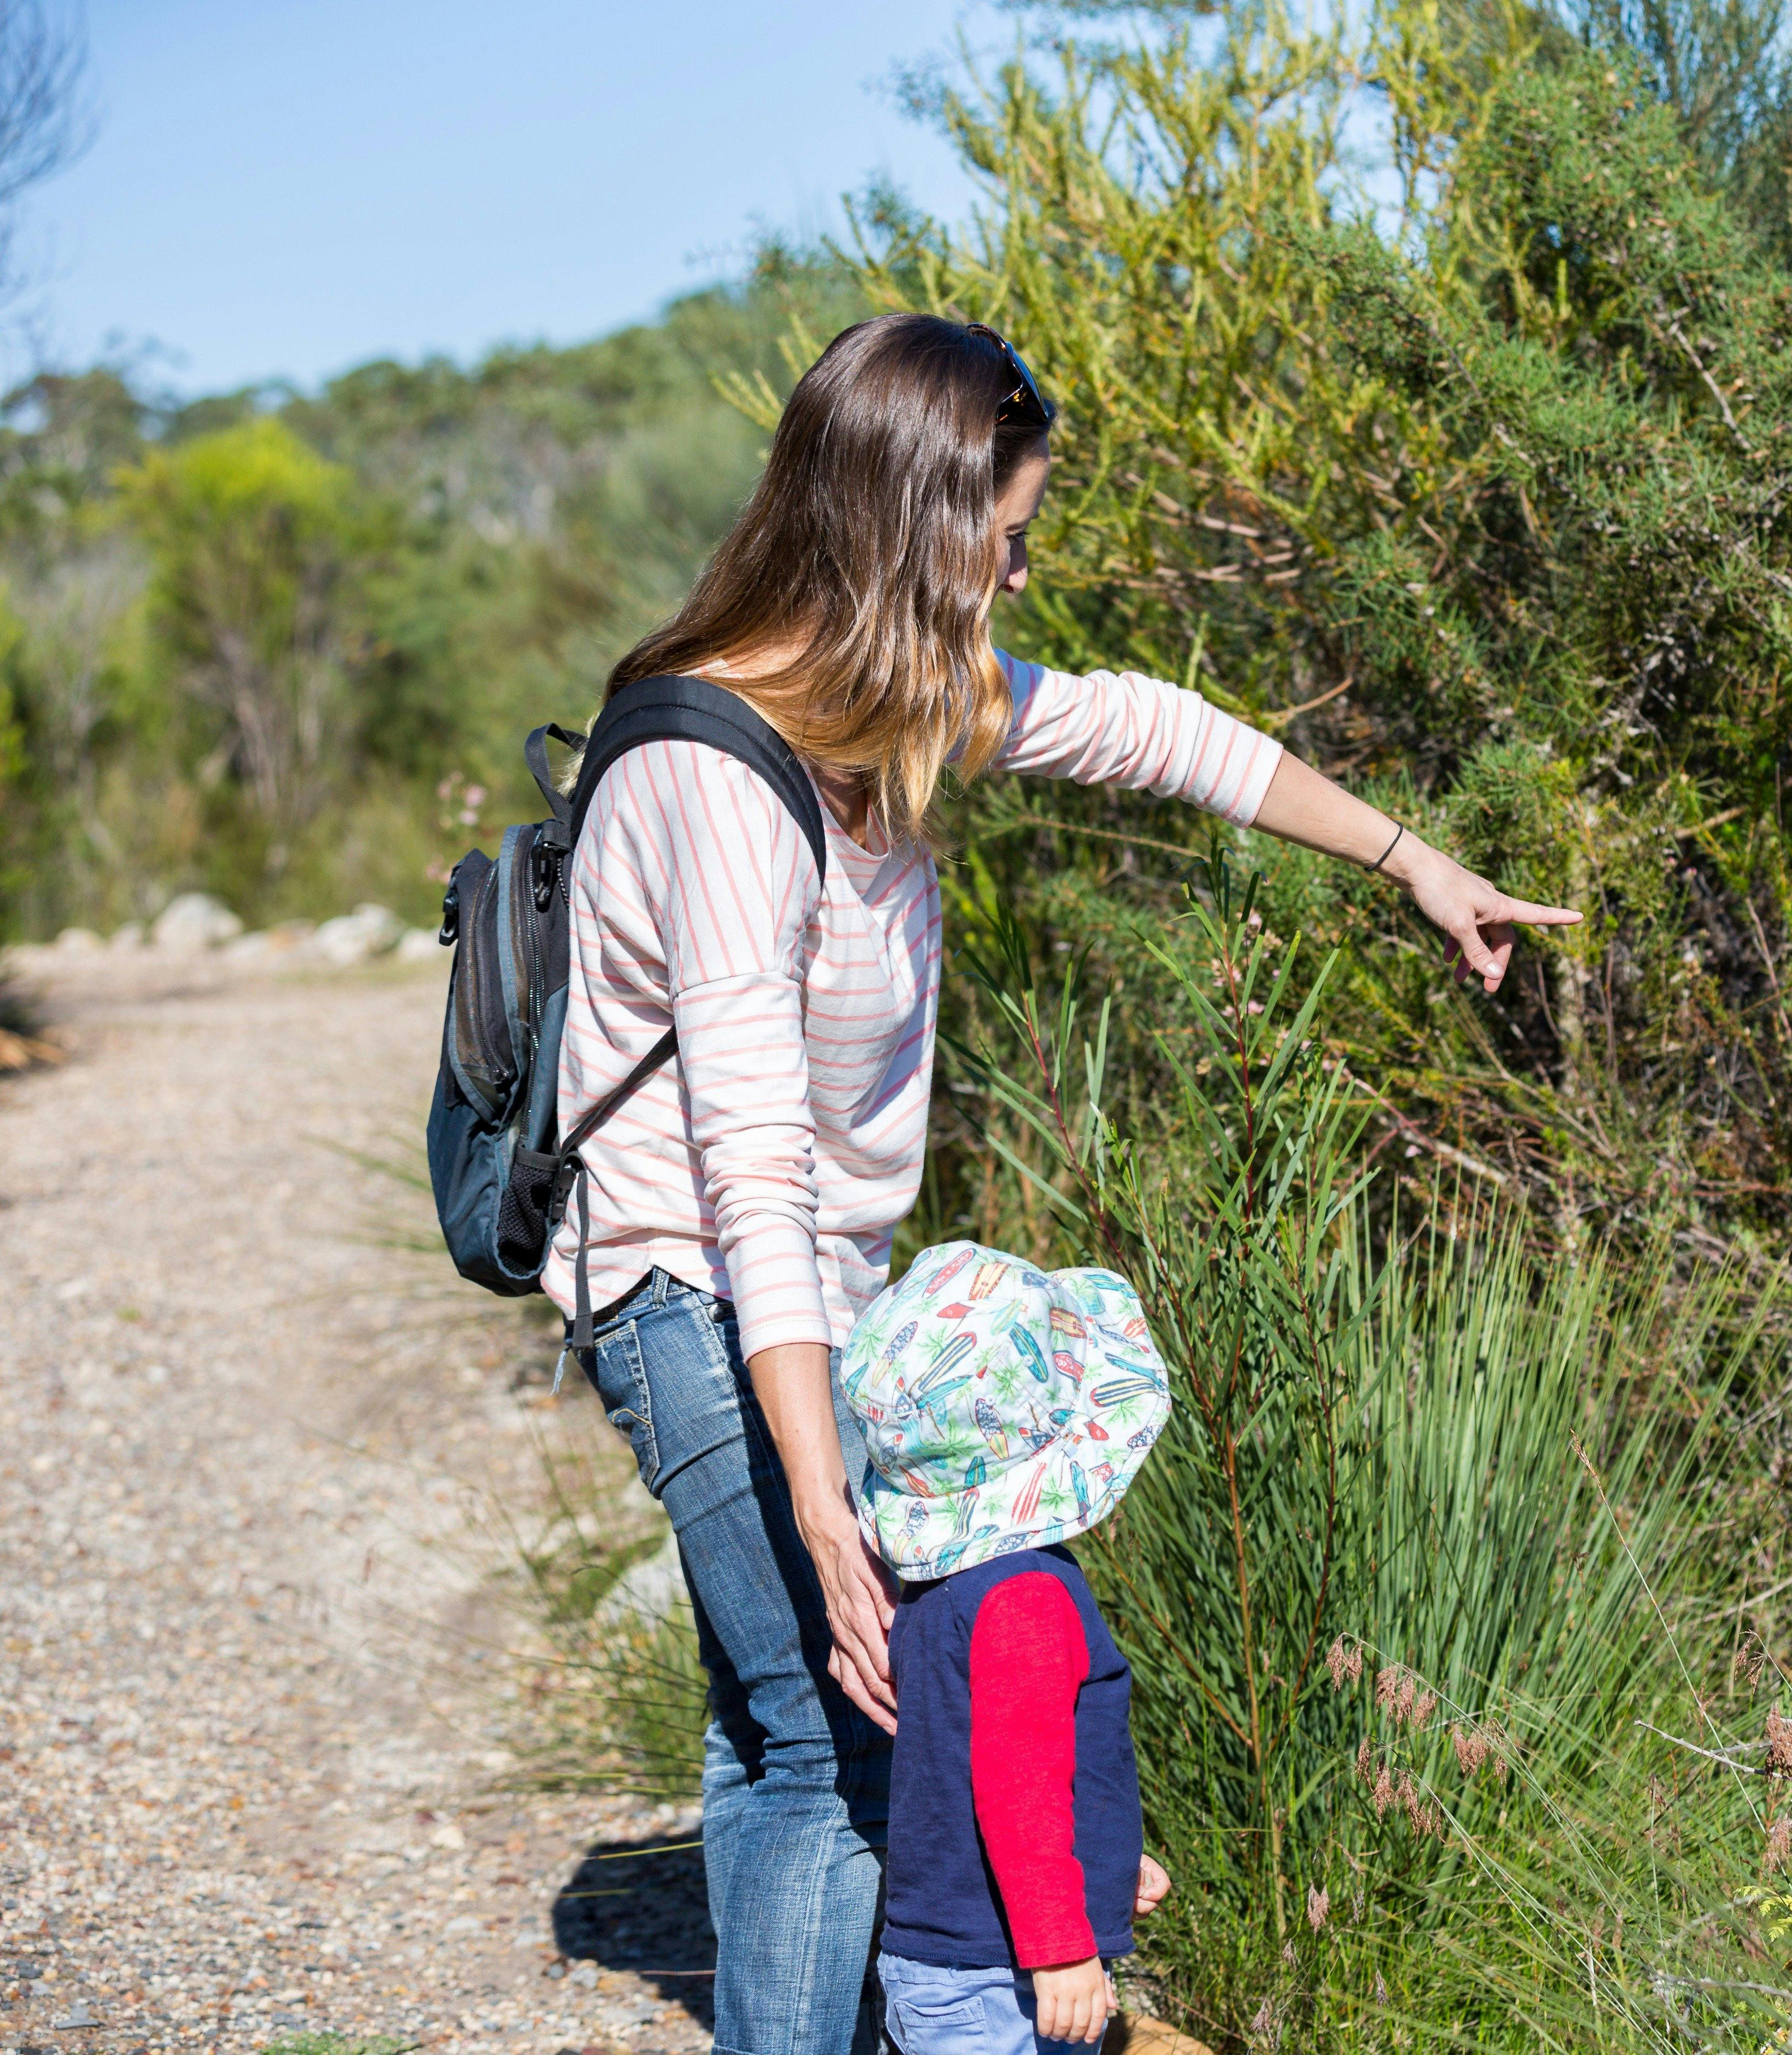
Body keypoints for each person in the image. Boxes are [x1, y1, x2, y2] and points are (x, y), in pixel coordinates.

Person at [555, 311, 1579, 2055]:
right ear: (915, 529)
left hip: (814, 1276)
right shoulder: (715, 776)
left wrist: (1416, 864)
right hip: (687, 1273)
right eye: (1009, 541)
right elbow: (747, 1171)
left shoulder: (899, 708)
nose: (1022, 579)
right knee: (829, 1733)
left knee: (772, 1715)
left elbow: (1155, 734)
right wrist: (823, 1491)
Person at [844, 1241, 1176, 2055]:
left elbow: (983, 1767)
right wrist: (1062, 1946)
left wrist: (1108, 1859)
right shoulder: (1026, 1595)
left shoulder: (943, 1588)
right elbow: (1016, 1786)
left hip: (962, 1960)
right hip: (1001, 1979)